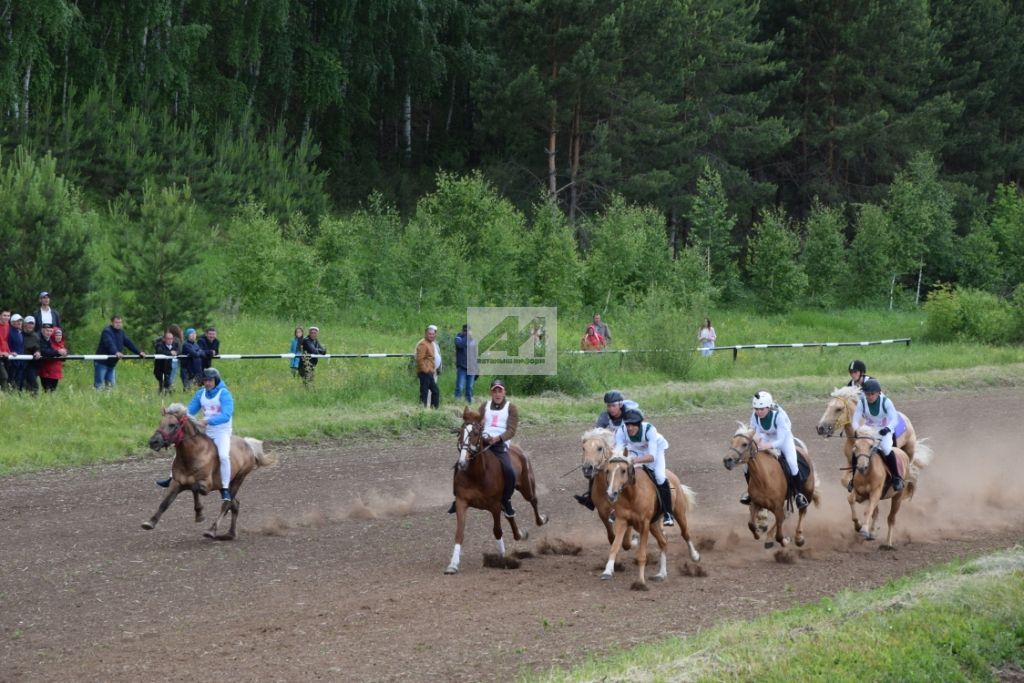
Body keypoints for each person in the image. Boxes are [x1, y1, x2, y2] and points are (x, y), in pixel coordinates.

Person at [157, 367, 235, 500]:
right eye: (205, 381)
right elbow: (188, 411)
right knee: (181, 447)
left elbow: (226, 415)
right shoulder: (200, 394)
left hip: (221, 431)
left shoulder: (224, 394)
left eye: (210, 380)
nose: (207, 383)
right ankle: (171, 478)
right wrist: (169, 411)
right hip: (205, 430)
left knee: (223, 456)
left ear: (215, 380)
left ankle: (225, 488)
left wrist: (208, 420)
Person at [745, 391, 809, 509]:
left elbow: (780, 440)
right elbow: (753, 429)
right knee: (747, 462)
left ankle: (798, 494)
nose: (758, 412)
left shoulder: (779, 415)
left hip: (784, 439)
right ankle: (750, 493)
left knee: (792, 463)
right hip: (767, 436)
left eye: (761, 409)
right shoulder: (754, 415)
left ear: (768, 407)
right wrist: (757, 440)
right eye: (756, 409)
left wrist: (767, 446)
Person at [613, 408, 675, 526]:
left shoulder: (649, 430)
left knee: (660, 476)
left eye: (633, 425)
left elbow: (651, 457)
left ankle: (668, 514)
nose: (630, 428)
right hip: (635, 449)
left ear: (639, 423)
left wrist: (633, 460)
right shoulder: (621, 431)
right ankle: (616, 508)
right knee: (622, 474)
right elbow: (618, 452)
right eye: (627, 425)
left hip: (655, 450)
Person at [575, 390, 635, 509]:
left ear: (620, 405)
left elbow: (635, 432)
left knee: (637, 468)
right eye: (608, 406)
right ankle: (591, 498)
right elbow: (597, 433)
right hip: (612, 449)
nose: (611, 408)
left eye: (613, 405)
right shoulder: (604, 416)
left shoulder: (629, 415)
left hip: (630, 447)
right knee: (596, 468)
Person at [850, 378, 903, 492]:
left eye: (872, 394)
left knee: (886, 449)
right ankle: (852, 479)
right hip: (869, 431)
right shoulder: (862, 402)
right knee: (856, 450)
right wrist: (856, 430)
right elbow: (855, 419)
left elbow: (894, 419)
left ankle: (896, 477)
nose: (869, 396)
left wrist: (888, 428)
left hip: (884, 431)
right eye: (867, 394)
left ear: (879, 393)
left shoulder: (886, 402)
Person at [482, 379, 519, 517]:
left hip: (500, 444)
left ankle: (506, 499)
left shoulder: (511, 408)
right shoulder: (484, 406)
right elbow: (478, 422)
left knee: (509, 470)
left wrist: (499, 438)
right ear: (491, 392)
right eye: (494, 391)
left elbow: (512, 430)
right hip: (484, 441)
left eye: (500, 390)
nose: (497, 394)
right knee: (463, 460)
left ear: (504, 392)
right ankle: (459, 495)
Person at [93, 315, 145, 389]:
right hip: (101, 363)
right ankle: (96, 400)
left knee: (111, 386)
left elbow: (129, 343)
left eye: (120, 322)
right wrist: (116, 352)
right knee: (99, 385)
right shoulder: (107, 331)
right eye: (116, 322)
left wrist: (139, 352)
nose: (118, 324)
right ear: (112, 323)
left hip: (111, 364)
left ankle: (108, 400)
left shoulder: (121, 333)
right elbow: (109, 343)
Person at [415, 324, 441, 408]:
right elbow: (419, 359)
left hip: (430, 372)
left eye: (433, 334)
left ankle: (433, 409)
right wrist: (426, 370)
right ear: (426, 334)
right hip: (424, 372)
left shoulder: (430, 343)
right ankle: (422, 410)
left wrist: (432, 369)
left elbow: (431, 358)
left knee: (435, 391)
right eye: (430, 334)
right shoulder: (423, 344)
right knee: (425, 392)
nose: (432, 336)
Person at [38, 325, 68, 392]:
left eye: (60, 335)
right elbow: (46, 352)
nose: (58, 337)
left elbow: (64, 358)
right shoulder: (49, 344)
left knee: (53, 390)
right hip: (47, 371)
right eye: (56, 335)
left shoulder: (62, 345)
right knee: (47, 390)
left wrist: (64, 355)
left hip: (56, 372)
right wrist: (58, 353)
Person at [453, 324, 477, 404]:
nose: (467, 332)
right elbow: (460, 345)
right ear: (462, 331)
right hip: (462, 367)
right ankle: (457, 402)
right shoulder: (458, 338)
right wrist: (467, 337)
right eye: (465, 331)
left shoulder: (473, 340)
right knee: (460, 386)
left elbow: (474, 354)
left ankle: (469, 403)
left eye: (468, 331)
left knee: (470, 387)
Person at [20, 316, 41, 394]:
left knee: (33, 384)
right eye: (28, 323)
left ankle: (34, 402)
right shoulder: (19, 334)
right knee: (20, 384)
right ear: (24, 324)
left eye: (32, 324)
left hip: (31, 364)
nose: (30, 325)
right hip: (19, 363)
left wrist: (38, 352)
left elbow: (37, 347)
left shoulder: (36, 336)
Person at [8, 314, 25, 390]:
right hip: (11, 362)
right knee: (11, 381)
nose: (20, 322)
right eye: (17, 321)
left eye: (20, 321)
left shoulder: (20, 333)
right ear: (12, 322)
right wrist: (10, 352)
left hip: (20, 362)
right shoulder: (9, 332)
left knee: (19, 383)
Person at [0, 308, 11, 390]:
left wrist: (10, 352)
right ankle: (5, 395)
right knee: (4, 376)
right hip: (1, 354)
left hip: (6, 355)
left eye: (8, 316)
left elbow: (6, 341)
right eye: (4, 315)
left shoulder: (8, 326)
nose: (6, 317)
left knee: (7, 376)